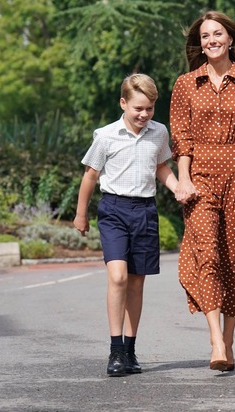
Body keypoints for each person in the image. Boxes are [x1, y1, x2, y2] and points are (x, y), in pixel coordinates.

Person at [170, 10, 235, 372]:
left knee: (233, 259)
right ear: (199, 44)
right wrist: (182, 179)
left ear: (231, 38)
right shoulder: (186, 84)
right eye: (204, 36)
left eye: (217, 34)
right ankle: (215, 339)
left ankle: (229, 339)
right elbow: (181, 139)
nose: (211, 40)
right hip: (199, 175)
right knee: (208, 254)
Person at [73, 73, 179, 377]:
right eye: (138, 108)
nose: (144, 115)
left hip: (145, 211)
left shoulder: (159, 133)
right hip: (114, 210)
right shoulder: (105, 135)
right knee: (118, 277)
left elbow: (161, 166)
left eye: (149, 108)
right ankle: (115, 350)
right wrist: (81, 215)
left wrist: (178, 188)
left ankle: (130, 350)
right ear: (123, 103)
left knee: (136, 281)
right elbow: (90, 176)